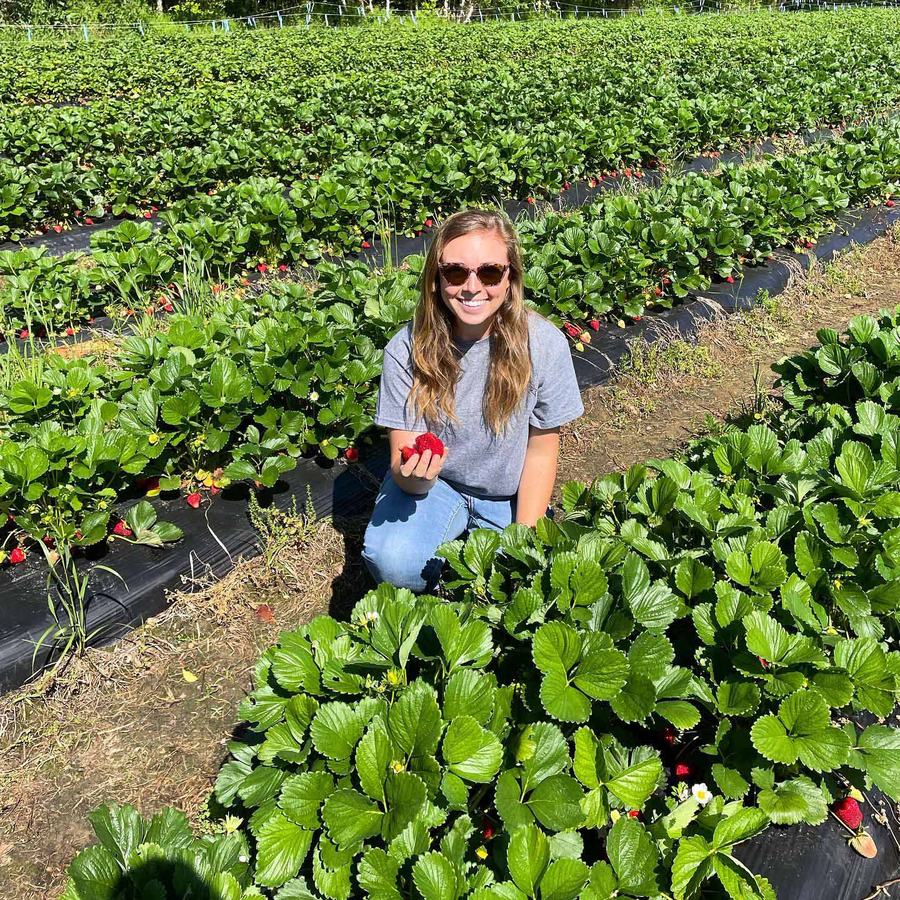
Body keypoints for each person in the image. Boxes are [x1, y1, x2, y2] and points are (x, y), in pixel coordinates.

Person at [361, 207, 584, 593]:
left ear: (510, 277)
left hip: (506, 493)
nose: (472, 285)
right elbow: (404, 463)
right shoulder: (407, 348)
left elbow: (542, 451)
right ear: (436, 278)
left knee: (523, 578)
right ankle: (447, 558)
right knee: (394, 564)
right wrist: (415, 477)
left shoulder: (544, 345)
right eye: (456, 271)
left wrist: (523, 536)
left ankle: (465, 561)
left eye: (490, 272)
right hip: (437, 488)